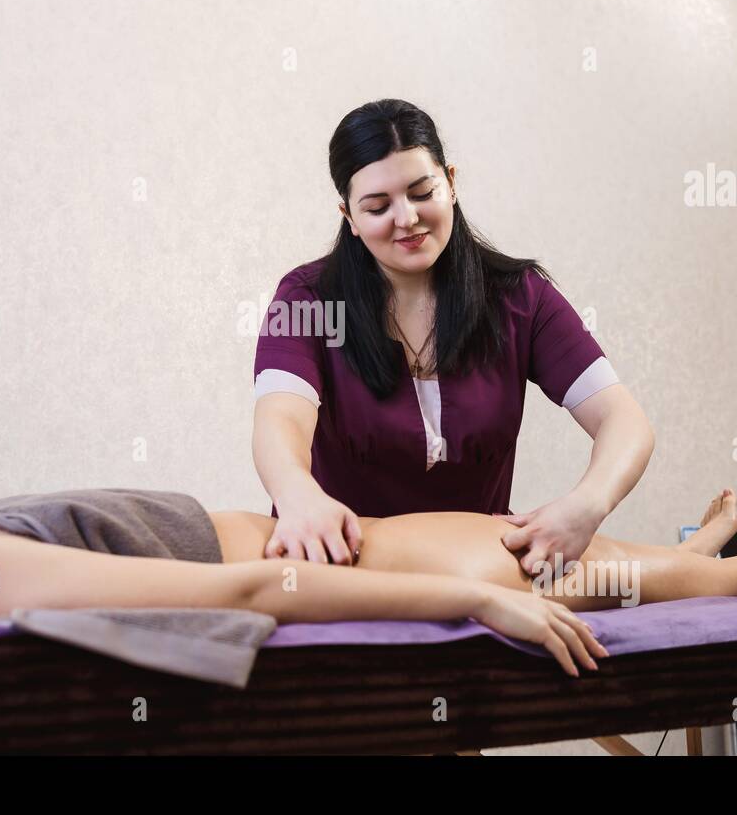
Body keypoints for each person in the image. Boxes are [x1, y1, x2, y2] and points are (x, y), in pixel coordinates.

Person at [0, 414, 737, 678]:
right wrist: (460, 608)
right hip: (320, 557)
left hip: (304, 527)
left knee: (518, 538)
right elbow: (250, 585)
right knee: (525, 561)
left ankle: (707, 553)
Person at [252, 99, 656, 575]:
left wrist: (587, 504)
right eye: (378, 207)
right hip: (340, 563)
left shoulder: (518, 298)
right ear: (349, 218)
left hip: (472, 569)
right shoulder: (306, 300)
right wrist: (298, 496)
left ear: (452, 183)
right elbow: (280, 419)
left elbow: (624, 420)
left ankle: (721, 564)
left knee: (607, 572)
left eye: (423, 192)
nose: (406, 219)